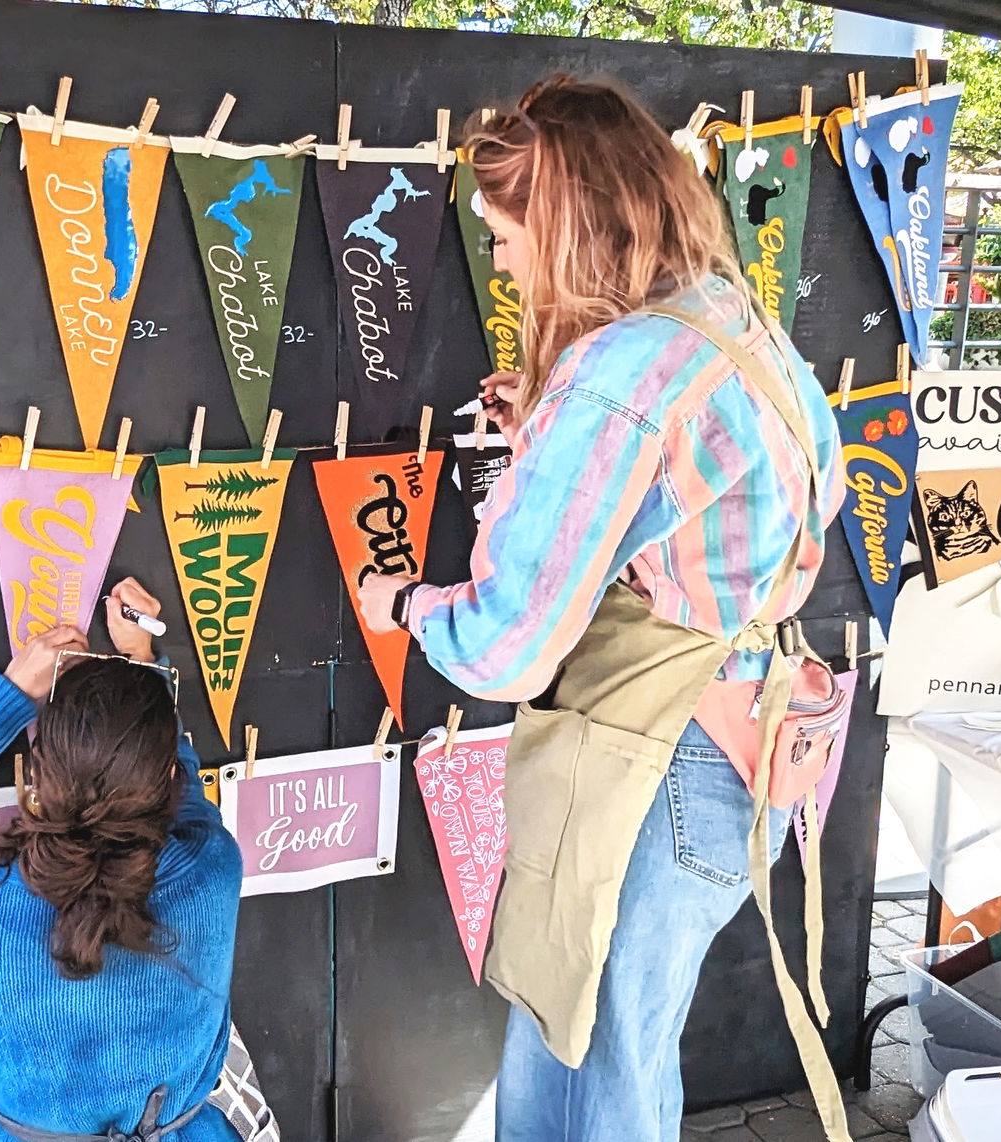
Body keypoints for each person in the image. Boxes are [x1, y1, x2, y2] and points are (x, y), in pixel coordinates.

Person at [357, 77, 846, 1142]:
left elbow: (508, 645)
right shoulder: (729, 318)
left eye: (505, 233)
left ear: (567, 226)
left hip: (652, 764)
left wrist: (401, 600)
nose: (502, 261)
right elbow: (811, 492)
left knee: (579, 1075)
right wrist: (553, 425)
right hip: (741, 741)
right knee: (629, 1053)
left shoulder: (617, 373)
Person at [0, 578, 243, 1142]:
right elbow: (184, 792)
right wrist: (141, 662)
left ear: (37, 774)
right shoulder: (212, 869)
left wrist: (6, 699)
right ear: (165, 774)